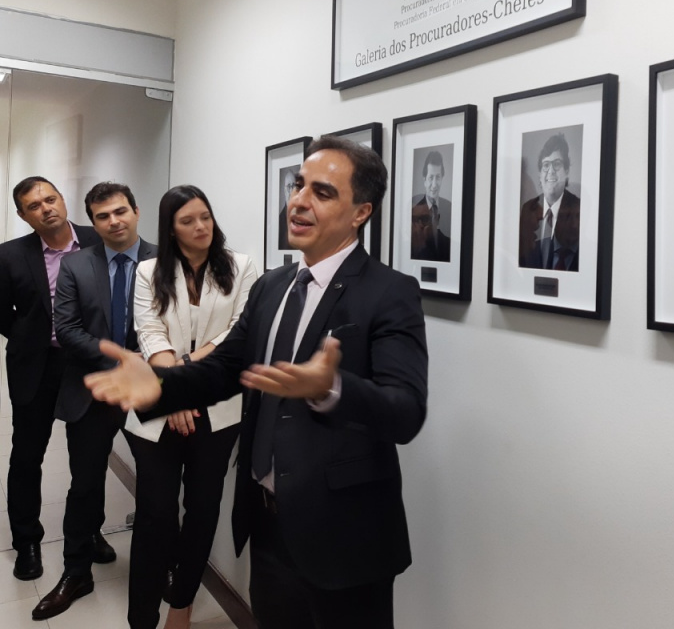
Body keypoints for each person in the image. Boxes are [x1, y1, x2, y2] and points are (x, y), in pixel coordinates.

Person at [85, 136, 428, 629]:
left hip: (343, 535)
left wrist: (330, 389)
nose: (299, 201)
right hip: (266, 525)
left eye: (322, 192)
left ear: (361, 212)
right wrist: (162, 386)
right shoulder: (273, 285)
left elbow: (405, 410)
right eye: (298, 186)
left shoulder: (390, 292)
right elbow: (227, 368)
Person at [125, 186, 258, 629]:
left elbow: (238, 333)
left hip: (216, 410)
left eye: (206, 216)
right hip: (161, 409)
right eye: (188, 221)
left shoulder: (241, 266)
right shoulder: (149, 271)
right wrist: (177, 391)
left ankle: (181, 606)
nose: (201, 227)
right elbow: (149, 332)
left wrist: (185, 382)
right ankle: (141, 617)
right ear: (170, 229)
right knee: (155, 516)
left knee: (203, 511)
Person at [32, 182, 157, 620]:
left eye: (120, 211)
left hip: (152, 390)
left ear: (136, 211)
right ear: (92, 222)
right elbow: (66, 328)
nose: (113, 221)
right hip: (93, 389)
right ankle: (76, 572)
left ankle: (159, 567)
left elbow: (180, 324)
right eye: (102, 216)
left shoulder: (166, 261)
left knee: (158, 487)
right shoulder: (76, 264)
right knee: (84, 485)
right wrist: (121, 359)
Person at [0, 177, 101, 583]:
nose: (45, 208)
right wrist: (31, 337)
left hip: (88, 366)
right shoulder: (10, 255)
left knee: (89, 458)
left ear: (62, 199)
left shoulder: (97, 239)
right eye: (34, 205)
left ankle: (89, 531)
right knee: (27, 457)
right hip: (36, 367)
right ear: (23, 215)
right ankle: (26, 540)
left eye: (50, 198)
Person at [518, 132, 581, 271]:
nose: (551, 171)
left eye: (557, 164)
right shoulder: (528, 209)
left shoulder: (577, 208)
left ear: (566, 171)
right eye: (546, 165)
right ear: (540, 174)